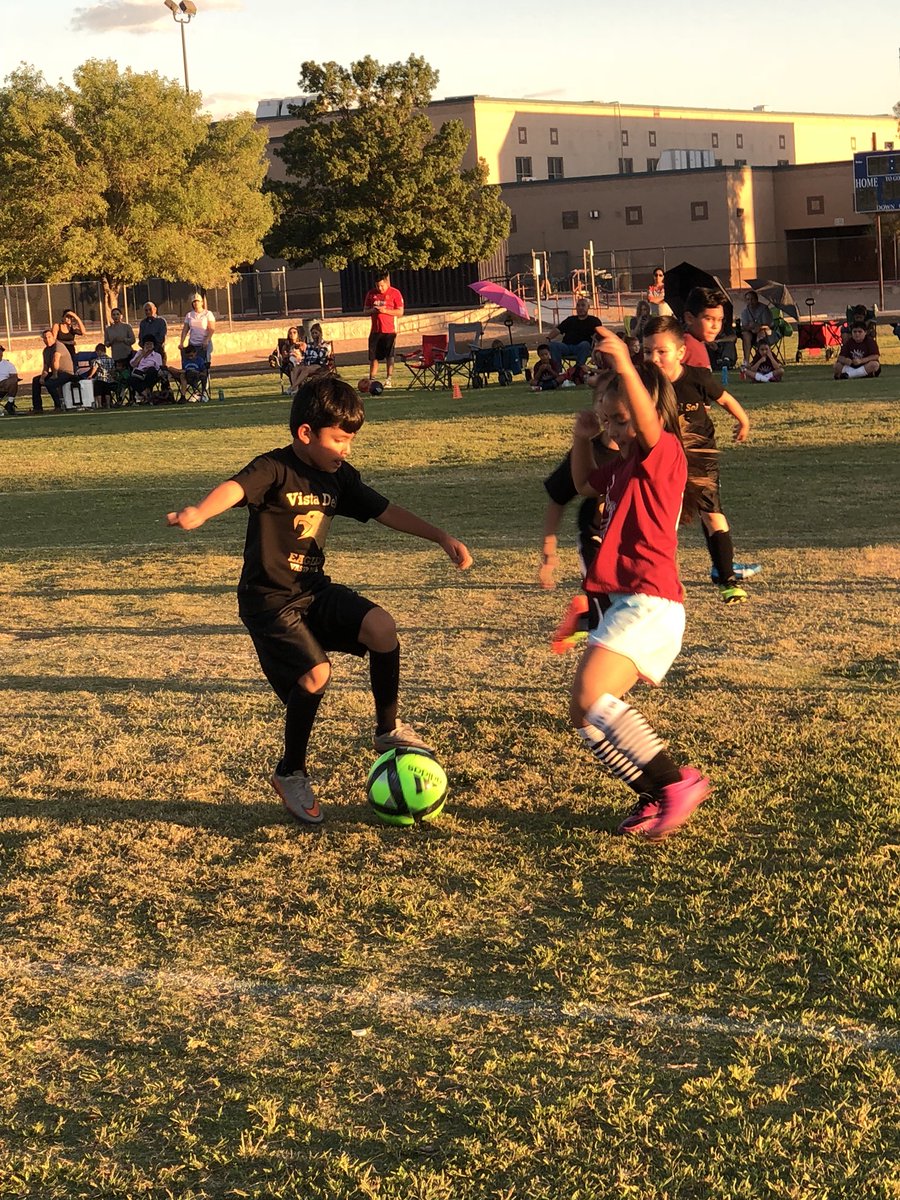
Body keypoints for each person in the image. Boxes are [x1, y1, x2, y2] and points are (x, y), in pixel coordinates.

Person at [166, 374, 473, 825]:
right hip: (268, 601)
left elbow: (384, 509)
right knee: (315, 674)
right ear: (306, 433)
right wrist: (198, 512)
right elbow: (235, 487)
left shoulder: (339, 476)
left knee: (381, 628)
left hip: (313, 590)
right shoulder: (274, 467)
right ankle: (290, 772)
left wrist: (439, 536)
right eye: (338, 439)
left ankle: (387, 730)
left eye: (350, 440)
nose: (346, 449)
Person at [568, 327, 711, 840]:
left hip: (651, 602)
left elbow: (649, 427)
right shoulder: (625, 465)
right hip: (630, 602)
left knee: (589, 695)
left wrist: (626, 365)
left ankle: (677, 783)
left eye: (620, 419)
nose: (614, 429)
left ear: (646, 410)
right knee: (584, 712)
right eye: (607, 419)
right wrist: (582, 437)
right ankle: (657, 793)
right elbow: (584, 483)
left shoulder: (663, 452)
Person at [642, 315, 760, 602]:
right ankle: (653, 579)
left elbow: (725, 399)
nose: (653, 358)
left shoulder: (697, 378)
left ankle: (727, 579)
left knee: (712, 515)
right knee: (660, 522)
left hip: (699, 460)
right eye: (647, 352)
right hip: (662, 463)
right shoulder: (643, 384)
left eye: (661, 352)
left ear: (680, 352)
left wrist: (743, 421)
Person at [539, 387, 620, 653]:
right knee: (608, 614)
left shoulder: (643, 447)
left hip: (629, 541)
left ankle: (583, 617)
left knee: (627, 605)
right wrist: (549, 554)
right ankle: (590, 625)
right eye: (602, 403)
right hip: (596, 539)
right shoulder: (586, 451)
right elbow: (558, 497)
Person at [364, 272, 404, 387]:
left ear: (387, 284)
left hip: (389, 331)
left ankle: (388, 379)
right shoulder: (371, 294)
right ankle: (372, 379)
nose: (379, 288)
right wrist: (374, 310)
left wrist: (385, 311)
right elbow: (365, 311)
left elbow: (400, 312)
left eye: (382, 286)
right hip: (375, 330)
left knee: (389, 355)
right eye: (377, 286)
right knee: (373, 357)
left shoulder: (395, 293)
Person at [546, 296, 603, 377]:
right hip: (566, 346)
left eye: (583, 305)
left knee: (585, 344)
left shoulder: (594, 321)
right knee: (553, 345)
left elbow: (600, 334)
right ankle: (557, 372)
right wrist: (548, 338)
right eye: (578, 305)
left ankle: (578, 370)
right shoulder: (570, 320)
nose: (580, 308)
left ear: (588, 307)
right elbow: (558, 330)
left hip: (582, 347)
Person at [31, 328, 76, 413]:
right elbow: (45, 366)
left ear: (53, 337)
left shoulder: (58, 346)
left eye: (49, 337)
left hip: (66, 373)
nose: (47, 339)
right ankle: (37, 408)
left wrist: (54, 375)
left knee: (50, 384)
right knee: (36, 380)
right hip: (56, 372)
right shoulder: (45, 351)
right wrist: (42, 377)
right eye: (45, 338)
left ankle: (58, 406)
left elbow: (56, 360)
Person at [291, 323, 332, 390]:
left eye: (316, 333)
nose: (314, 335)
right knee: (295, 369)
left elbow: (321, 357)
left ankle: (292, 387)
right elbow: (306, 356)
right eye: (312, 333)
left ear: (320, 333)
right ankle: (295, 389)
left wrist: (319, 345)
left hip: (320, 365)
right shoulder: (310, 345)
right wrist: (302, 362)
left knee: (306, 369)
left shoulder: (325, 344)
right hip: (308, 364)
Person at [739, 291, 773, 363]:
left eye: (752, 299)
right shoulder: (744, 312)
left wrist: (758, 327)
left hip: (766, 332)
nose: (750, 301)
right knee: (746, 335)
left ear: (756, 299)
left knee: (761, 333)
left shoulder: (764, 309)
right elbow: (743, 327)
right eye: (748, 299)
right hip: (751, 333)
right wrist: (751, 327)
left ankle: (761, 359)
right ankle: (746, 361)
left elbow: (768, 324)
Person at [180, 293, 216, 361]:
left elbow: (211, 329)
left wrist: (207, 340)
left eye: (198, 301)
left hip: (204, 343)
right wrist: (181, 342)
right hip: (193, 343)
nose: (196, 303)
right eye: (194, 301)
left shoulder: (208, 314)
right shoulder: (189, 315)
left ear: (202, 302)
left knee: (204, 362)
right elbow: (185, 330)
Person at [85, 341, 119, 407]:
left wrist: (90, 375)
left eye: (97, 352)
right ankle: (108, 404)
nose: (97, 354)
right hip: (108, 379)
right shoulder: (111, 359)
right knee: (107, 392)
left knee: (98, 391)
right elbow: (113, 370)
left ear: (99, 351)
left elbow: (95, 368)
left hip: (100, 379)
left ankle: (100, 404)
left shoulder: (97, 360)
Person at [129, 338, 163, 402]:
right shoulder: (139, 353)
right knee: (131, 379)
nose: (148, 346)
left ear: (153, 345)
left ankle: (146, 395)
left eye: (150, 344)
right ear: (143, 345)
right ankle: (147, 395)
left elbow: (159, 367)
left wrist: (148, 367)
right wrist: (142, 355)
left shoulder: (157, 355)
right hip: (139, 373)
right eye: (147, 344)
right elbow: (133, 364)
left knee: (151, 370)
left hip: (151, 374)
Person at [0, 345, 19, 416]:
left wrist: (3, 383)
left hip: (4, 386)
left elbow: (14, 378)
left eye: (0, 351)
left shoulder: (9, 365)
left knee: (13, 381)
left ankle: (10, 404)